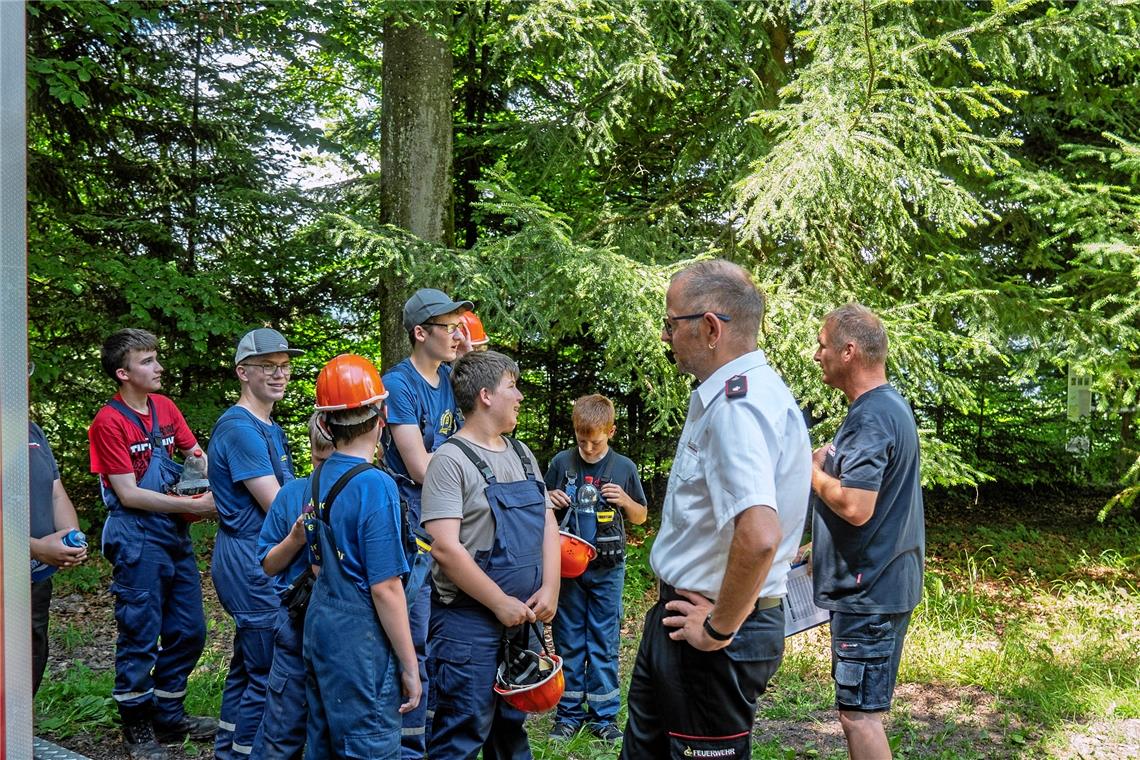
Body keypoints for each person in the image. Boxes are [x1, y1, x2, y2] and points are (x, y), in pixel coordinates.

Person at [621, 260, 812, 759]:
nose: (665, 336)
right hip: (687, 620)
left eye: (671, 322)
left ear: (710, 328)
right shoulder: (738, 396)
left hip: (712, 634)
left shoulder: (737, 408)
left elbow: (760, 534)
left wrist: (717, 628)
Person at [421, 350, 560, 759]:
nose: (518, 396)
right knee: (462, 733)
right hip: (467, 625)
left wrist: (551, 587)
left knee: (510, 734)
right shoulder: (450, 460)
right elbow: (445, 548)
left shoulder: (521, 454)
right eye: (511, 386)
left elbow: (547, 523)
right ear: (485, 395)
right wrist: (499, 603)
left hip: (521, 623)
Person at [88, 328, 218, 760]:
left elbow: (194, 453)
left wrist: (201, 470)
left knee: (189, 630)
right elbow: (128, 493)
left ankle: (168, 713)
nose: (158, 367)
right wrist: (198, 507)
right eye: (147, 361)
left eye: (156, 358)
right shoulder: (108, 422)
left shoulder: (164, 407)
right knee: (140, 633)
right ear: (124, 373)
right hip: (135, 535)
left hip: (173, 534)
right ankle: (137, 725)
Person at [809, 303, 924, 760]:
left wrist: (808, 472)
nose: (816, 354)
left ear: (849, 351)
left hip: (870, 591)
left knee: (860, 717)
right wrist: (812, 547)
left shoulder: (872, 416)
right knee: (860, 711)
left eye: (823, 345)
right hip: (881, 581)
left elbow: (857, 506)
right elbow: (880, 509)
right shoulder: (886, 406)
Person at [303, 354, 420, 757]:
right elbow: (386, 587)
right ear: (382, 417)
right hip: (360, 642)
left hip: (322, 627)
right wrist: (409, 664)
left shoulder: (321, 475)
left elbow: (319, 562)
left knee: (324, 743)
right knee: (368, 745)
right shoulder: (376, 486)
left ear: (326, 421)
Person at [382, 287, 471, 757]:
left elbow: (492, 402)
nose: (459, 335)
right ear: (421, 333)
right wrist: (473, 464)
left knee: (446, 629)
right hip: (411, 520)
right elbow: (419, 466)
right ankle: (407, 745)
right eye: (449, 327)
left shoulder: (452, 377)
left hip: (450, 514)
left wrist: (474, 361)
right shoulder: (399, 384)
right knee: (414, 632)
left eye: (460, 326)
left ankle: (437, 731)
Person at [209, 327, 303, 760]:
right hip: (250, 559)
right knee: (267, 672)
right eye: (268, 366)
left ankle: (226, 746)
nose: (279, 374)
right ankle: (247, 752)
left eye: (284, 366)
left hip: (256, 554)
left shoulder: (267, 425)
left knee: (248, 665)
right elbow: (276, 503)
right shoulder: (240, 428)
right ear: (242, 372)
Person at [545, 394, 647, 743]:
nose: (588, 447)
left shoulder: (624, 468)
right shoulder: (562, 463)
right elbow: (542, 513)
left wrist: (626, 501)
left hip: (608, 569)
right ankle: (568, 715)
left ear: (611, 432)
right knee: (569, 640)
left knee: (603, 641)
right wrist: (550, 500)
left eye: (596, 440)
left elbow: (641, 516)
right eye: (581, 439)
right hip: (568, 570)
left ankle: (603, 718)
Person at [252, 412, 334, 758]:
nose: (323, 471)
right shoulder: (291, 495)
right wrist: (296, 538)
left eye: (332, 462)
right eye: (318, 460)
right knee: (281, 730)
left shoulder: (369, 489)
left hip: (342, 633)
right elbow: (268, 563)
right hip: (295, 627)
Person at [29, 416, 87, 695]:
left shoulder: (31, 430)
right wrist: (34, 546)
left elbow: (55, 493)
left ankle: (17, 727)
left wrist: (70, 536)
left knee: (31, 647)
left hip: (33, 575)